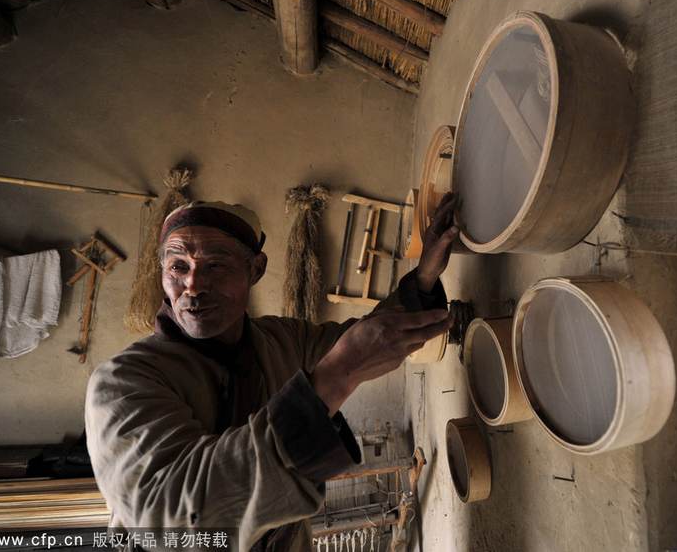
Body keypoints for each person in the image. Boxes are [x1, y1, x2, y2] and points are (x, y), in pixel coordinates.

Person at [84, 194, 459, 552]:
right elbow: (169, 522)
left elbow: (368, 338)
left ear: (256, 269)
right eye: (178, 266)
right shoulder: (123, 382)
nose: (193, 285)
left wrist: (423, 276)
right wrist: (336, 377)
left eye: (216, 265)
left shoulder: (282, 340)